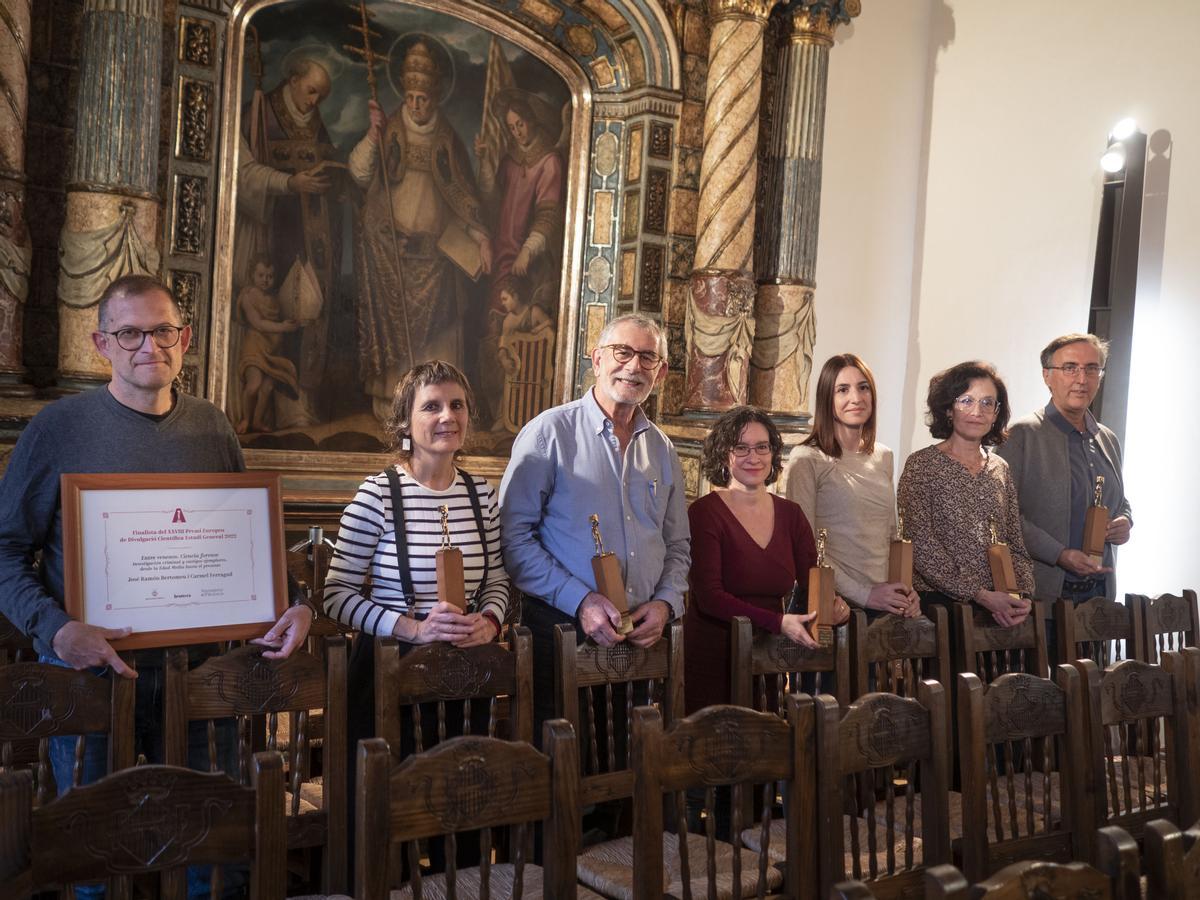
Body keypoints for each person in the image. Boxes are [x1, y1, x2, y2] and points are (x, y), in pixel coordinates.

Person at [0, 274, 313, 897]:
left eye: (164, 330)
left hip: (199, 677)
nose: (151, 345)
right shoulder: (58, 428)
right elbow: (5, 550)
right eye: (130, 332)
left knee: (213, 851)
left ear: (186, 337)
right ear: (101, 343)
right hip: (90, 679)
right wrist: (57, 629)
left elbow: (239, 546)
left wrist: (292, 606)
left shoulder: (212, 429)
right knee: (95, 855)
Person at [323, 359, 508, 880]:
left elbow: (497, 579)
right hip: (387, 674)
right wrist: (413, 628)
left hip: (464, 675)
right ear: (405, 421)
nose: (447, 416)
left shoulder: (481, 494)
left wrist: (489, 622)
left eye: (457, 405)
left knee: (462, 798)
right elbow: (334, 596)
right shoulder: (377, 493)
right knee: (389, 811)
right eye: (431, 406)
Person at [499, 312, 690, 741]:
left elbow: (678, 546)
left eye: (648, 358)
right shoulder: (549, 434)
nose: (634, 366)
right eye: (623, 352)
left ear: (659, 372)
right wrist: (581, 601)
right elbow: (513, 540)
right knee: (562, 775)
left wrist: (664, 604)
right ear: (597, 358)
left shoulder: (662, 450)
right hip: (561, 630)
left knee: (628, 774)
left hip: (641, 638)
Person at [349, 40, 492, 424]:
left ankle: (436, 408)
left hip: (435, 256)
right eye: (411, 97)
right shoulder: (389, 130)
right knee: (393, 336)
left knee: (438, 335)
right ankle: (390, 406)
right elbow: (360, 175)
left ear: (435, 98)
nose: (416, 104)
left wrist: (479, 235)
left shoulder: (446, 140)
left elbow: (461, 193)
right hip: (390, 254)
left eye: (423, 98)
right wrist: (372, 136)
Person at [687, 405, 847, 715]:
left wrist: (833, 604)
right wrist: (777, 622)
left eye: (762, 447)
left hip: (769, 655)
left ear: (773, 453)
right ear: (723, 454)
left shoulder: (791, 515)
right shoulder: (704, 512)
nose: (754, 457)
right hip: (714, 653)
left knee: (766, 747)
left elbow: (811, 580)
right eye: (741, 448)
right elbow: (709, 597)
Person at [235, 56, 341, 429]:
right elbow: (242, 173)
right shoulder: (259, 112)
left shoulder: (313, 122)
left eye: (321, 95)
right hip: (271, 226)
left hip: (308, 229)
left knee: (307, 303)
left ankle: (299, 401)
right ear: (293, 79)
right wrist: (290, 183)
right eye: (311, 90)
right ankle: (269, 409)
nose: (315, 101)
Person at [898, 360, 1034, 631]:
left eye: (987, 403)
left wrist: (1023, 596)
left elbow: (1015, 543)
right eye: (966, 401)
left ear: (996, 414)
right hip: (941, 609)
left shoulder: (1000, 468)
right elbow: (922, 547)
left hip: (1001, 610)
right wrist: (980, 594)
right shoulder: (922, 465)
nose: (977, 411)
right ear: (948, 409)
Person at [997, 334, 1132, 608]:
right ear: (1047, 376)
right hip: (1042, 598)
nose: (1081, 379)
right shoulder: (1021, 435)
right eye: (1070, 368)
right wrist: (1059, 554)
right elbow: (1003, 516)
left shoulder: (1107, 438)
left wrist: (1126, 521)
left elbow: (1119, 500)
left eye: (1091, 368)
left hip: (1099, 597)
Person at [785, 354, 921, 619]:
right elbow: (804, 546)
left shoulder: (883, 455)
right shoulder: (807, 458)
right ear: (827, 399)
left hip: (884, 601)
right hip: (834, 603)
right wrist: (864, 594)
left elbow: (890, 535)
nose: (856, 398)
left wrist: (906, 589)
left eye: (863, 387)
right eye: (842, 390)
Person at [235, 255, 301, 433]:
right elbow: (258, 323)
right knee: (254, 385)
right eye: (261, 275)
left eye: (270, 276)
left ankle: (257, 421)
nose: (265, 280)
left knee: (268, 387)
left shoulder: (274, 299)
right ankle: (245, 419)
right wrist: (283, 328)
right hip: (254, 347)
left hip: (272, 349)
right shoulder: (248, 296)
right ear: (252, 275)